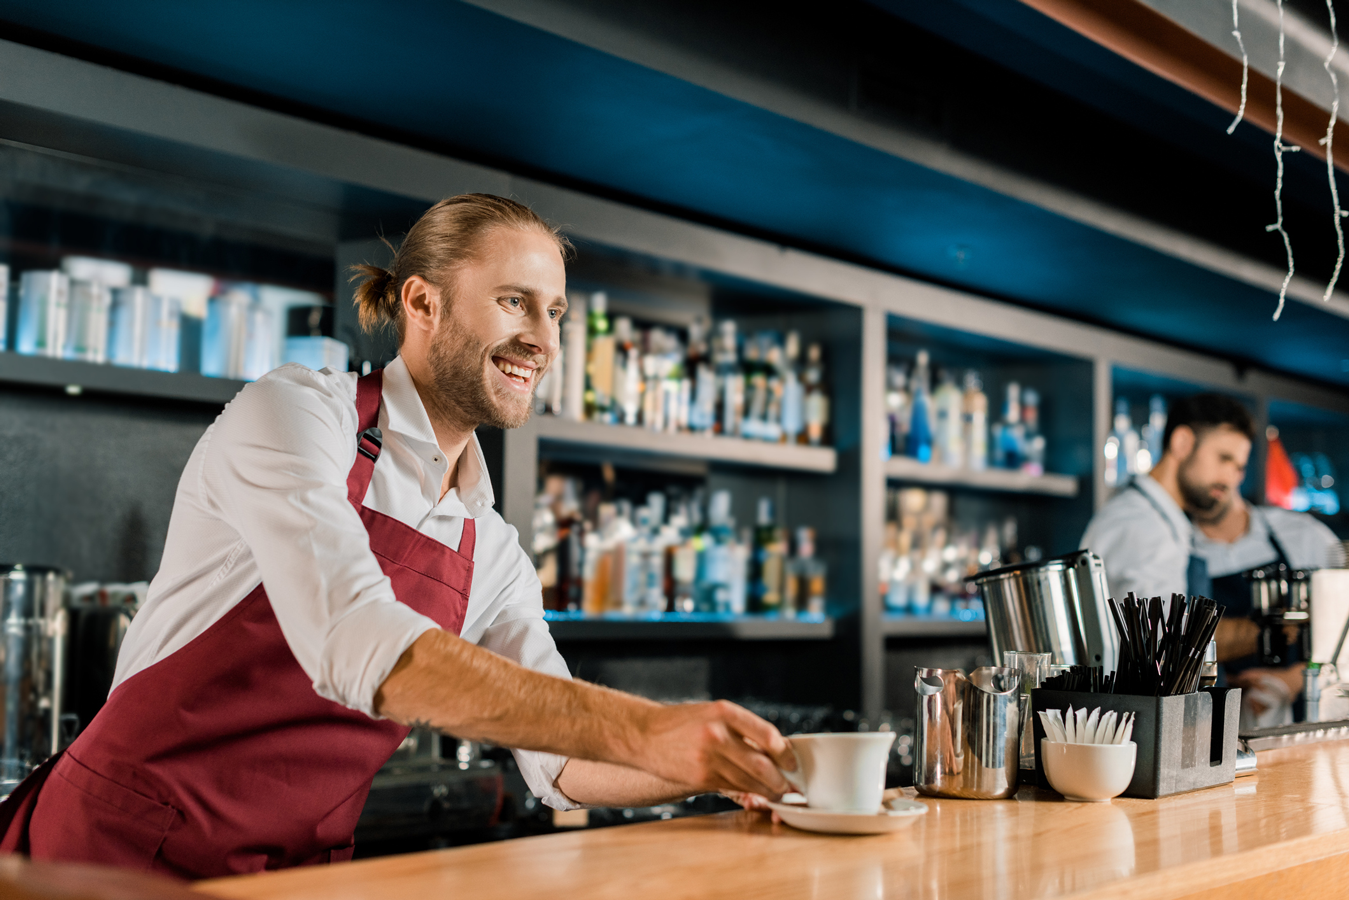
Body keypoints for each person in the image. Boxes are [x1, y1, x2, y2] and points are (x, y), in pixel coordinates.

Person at [0, 195, 795, 877]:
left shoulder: (490, 545)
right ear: (422, 303)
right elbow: (354, 637)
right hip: (112, 858)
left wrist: (705, 761)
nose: (544, 339)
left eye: (553, 311)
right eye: (514, 301)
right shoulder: (297, 413)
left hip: (292, 880)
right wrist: (647, 728)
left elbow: (561, 769)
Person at [1191, 455, 1343, 727]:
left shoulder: (1303, 535)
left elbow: (1342, 634)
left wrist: (1294, 680)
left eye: (1228, 459)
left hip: (1304, 714)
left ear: (1240, 468)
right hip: (1217, 719)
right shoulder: (1174, 550)